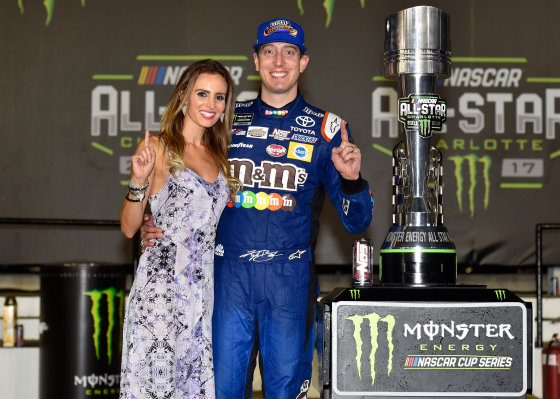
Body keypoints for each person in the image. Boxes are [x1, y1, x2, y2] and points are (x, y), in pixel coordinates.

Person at [141, 17, 373, 399]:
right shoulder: (225, 121)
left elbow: (357, 222)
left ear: (303, 62)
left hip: (289, 279)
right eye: (269, 51)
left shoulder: (328, 130)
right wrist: (155, 219)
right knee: (223, 392)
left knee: (284, 392)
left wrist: (351, 180)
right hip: (227, 278)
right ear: (256, 60)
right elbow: (182, 178)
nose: (278, 61)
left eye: (289, 52)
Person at [119, 59, 239, 399]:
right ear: (184, 96)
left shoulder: (220, 155)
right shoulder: (157, 148)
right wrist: (138, 182)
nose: (210, 104)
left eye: (219, 97)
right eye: (202, 93)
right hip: (160, 295)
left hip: (203, 295)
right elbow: (129, 227)